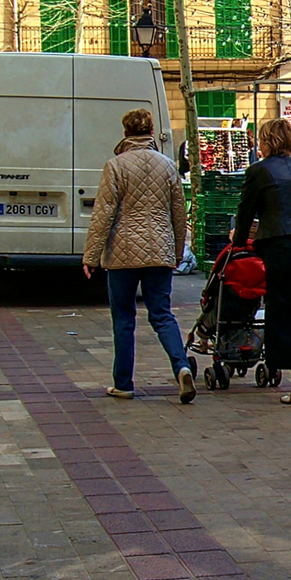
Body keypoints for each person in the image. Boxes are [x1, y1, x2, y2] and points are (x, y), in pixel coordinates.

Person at [80, 109, 194, 403]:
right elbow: (178, 213)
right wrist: (178, 250)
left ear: (125, 132)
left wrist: (91, 256)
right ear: (151, 132)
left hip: (122, 252)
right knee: (162, 314)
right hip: (160, 249)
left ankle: (124, 383)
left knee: (123, 317)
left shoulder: (115, 166)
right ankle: (181, 365)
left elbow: (104, 214)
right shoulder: (168, 166)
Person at [233, 119, 291, 407]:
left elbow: (246, 210)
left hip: (281, 245)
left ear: (266, 141)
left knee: (284, 310)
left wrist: (237, 239)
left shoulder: (258, 171)